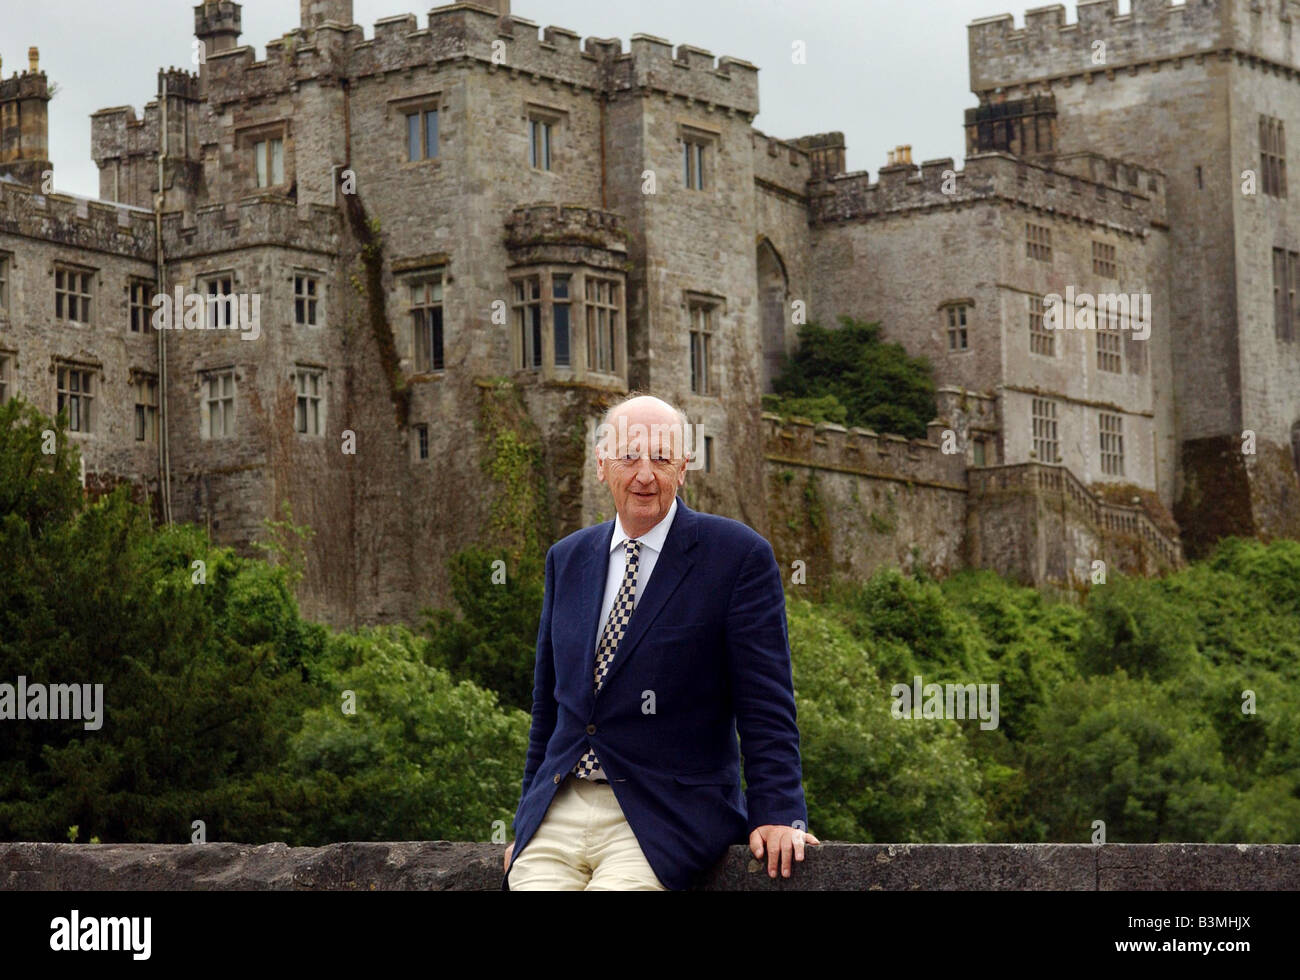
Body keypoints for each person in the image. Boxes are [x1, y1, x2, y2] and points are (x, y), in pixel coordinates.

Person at [503, 393, 818, 890]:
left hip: (664, 817)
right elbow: (549, 708)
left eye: (661, 457)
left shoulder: (736, 557)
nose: (645, 474)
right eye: (629, 456)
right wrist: (527, 819)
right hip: (559, 816)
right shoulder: (567, 559)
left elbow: (766, 701)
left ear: (684, 467)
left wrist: (780, 812)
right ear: (602, 465)